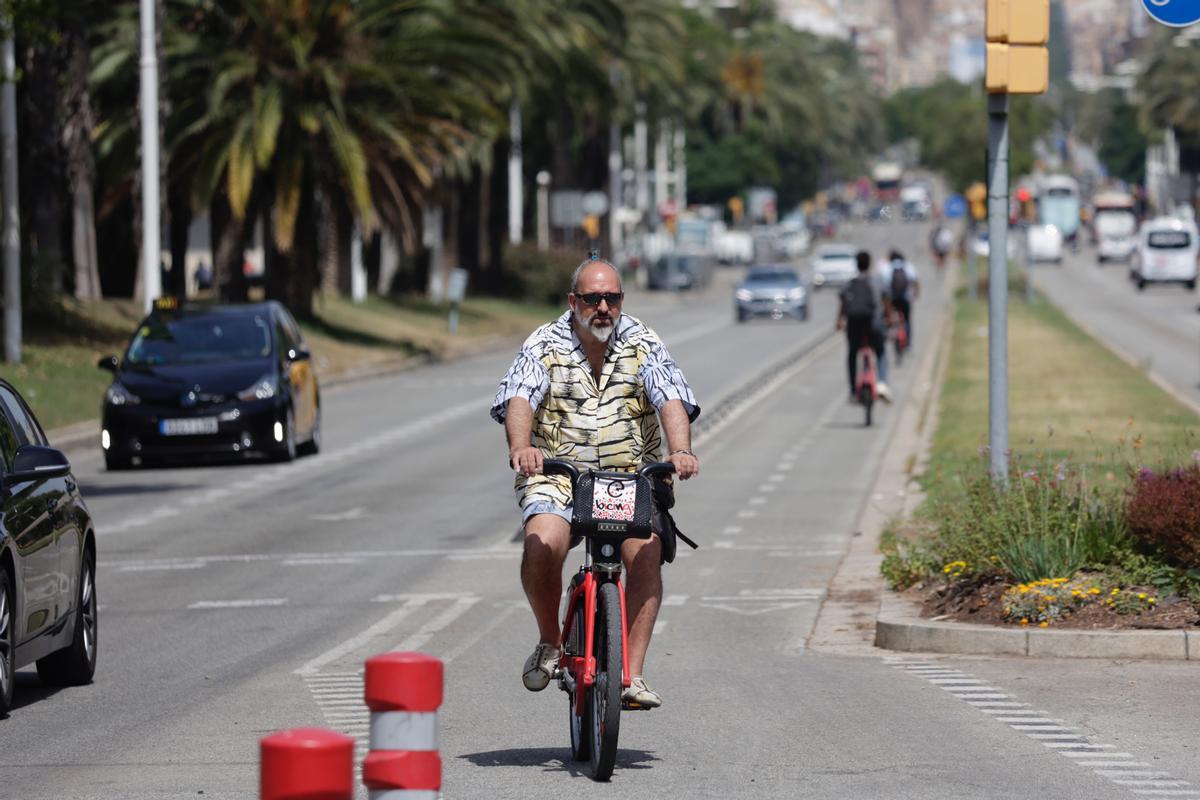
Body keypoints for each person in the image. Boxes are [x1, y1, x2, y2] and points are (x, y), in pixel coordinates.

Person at [491, 254, 700, 710]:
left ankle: (632, 675)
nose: (603, 307)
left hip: (628, 475)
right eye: (592, 298)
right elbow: (520, 396)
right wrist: (522, 447)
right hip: (557, 474)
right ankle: (550, 641)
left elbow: (670, 396)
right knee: (542, 542)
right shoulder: (544, 342)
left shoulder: (643, 341)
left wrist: (680, 450)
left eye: (612, 297)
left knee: (645, 553)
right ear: (573, 301)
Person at [837, 250, 892, 403]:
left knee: (852, 354)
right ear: (870, 264)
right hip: (874, 324)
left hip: (854, 325)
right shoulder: (878, 281)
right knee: (880, 351)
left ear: (857, 264)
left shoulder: (850, 283)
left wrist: (840, 320)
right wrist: (889, 318)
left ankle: (853, 391)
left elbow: (843, 303)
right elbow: (886, 299)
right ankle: (881, 383)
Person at [882, 249, 919, 347]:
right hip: (905, 298)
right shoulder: (908, 267)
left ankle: (889, 336)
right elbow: (915, 281)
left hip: (892, 299)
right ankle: (909, 343)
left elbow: (884, 288)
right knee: (907, 320)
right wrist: (915, 295)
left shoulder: (887, 268)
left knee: (889, 318)